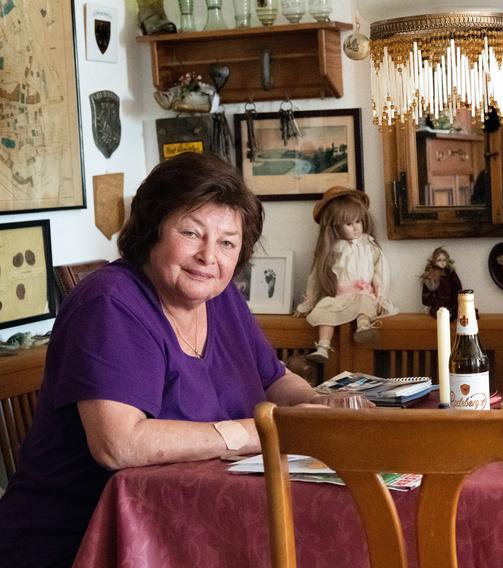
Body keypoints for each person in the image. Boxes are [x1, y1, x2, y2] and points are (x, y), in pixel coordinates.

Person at [0, 152, 328, 567]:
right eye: (191, 233)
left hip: (194, 525)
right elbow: (118, 445)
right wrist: (251, 433)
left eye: (227, 242)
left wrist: (318, 404)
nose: (210, 257)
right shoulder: (110, 303)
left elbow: (274, 379)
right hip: (87, 543)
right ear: (153, 229)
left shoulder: (220, 297)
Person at [296, 186, 398, 363]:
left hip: (363, 293)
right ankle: (323, 346)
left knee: (365, 304)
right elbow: (315, 277)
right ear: (335, 226)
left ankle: (364, 327)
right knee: (325, 312)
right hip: (339, 296)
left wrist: (380, 297)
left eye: (358, 221)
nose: (356, 228)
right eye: (349, 224)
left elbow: (381, 273)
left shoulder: (369, 246)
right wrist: (309, 301)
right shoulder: (333, 250)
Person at [419, 247, 462, 319]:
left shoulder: (450, 272)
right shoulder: (431, 274)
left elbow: (457, 286)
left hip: (451, 301)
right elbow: (427, 290)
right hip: (438, 302)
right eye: (439, 260)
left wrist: (458, 299)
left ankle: (451, 313)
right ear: (434, 261)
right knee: (440, 313)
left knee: (458, 311)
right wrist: (427, 304)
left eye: (444, 260)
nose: (442, 262)